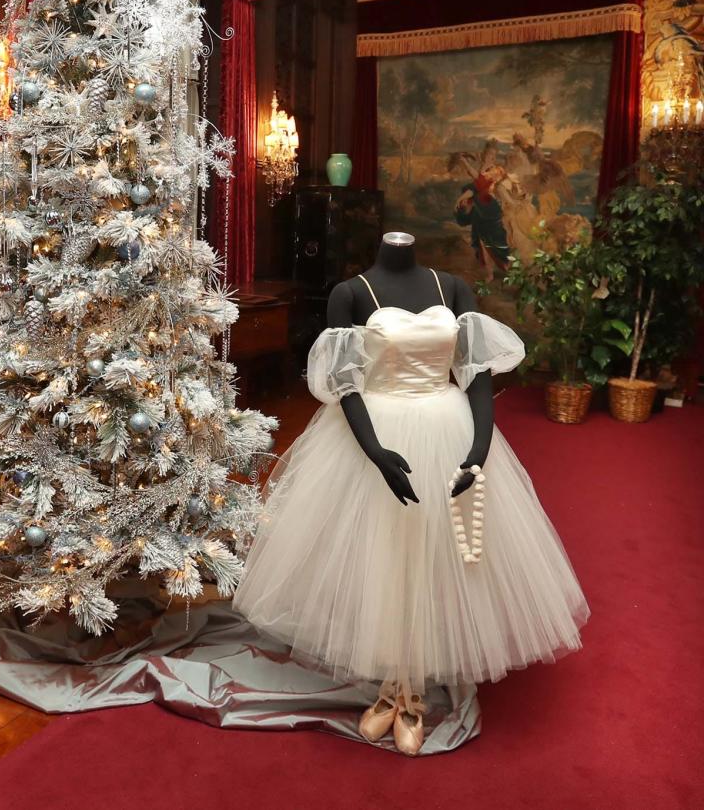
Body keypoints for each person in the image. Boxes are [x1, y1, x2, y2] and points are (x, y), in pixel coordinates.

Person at [233, 231, 589, 755]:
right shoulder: (349, 294)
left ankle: (412, 692)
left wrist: (478, 451)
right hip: (376, 428)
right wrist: (374, 451)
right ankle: (388, 689)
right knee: (384, 556)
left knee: (436, 556)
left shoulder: (454, 288)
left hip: (445, 425)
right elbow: (346, 382)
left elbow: (476, 378)